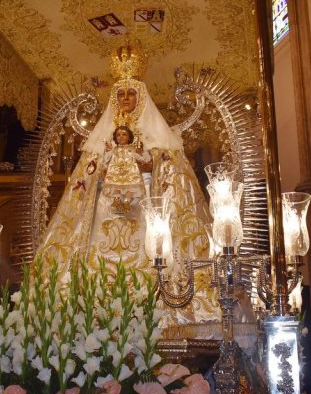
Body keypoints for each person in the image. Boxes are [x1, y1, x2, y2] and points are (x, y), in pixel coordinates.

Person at [36, 44, 219, 326]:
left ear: (142, 97)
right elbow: (84, 184)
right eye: (119, 94)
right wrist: (99, 178)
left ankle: (162, 302)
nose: (125, 99)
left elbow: (174, 182)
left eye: (131, 93)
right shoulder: (102, 145)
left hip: (147, 215)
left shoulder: (158, 142)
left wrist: (153, 171)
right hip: (105, 215)